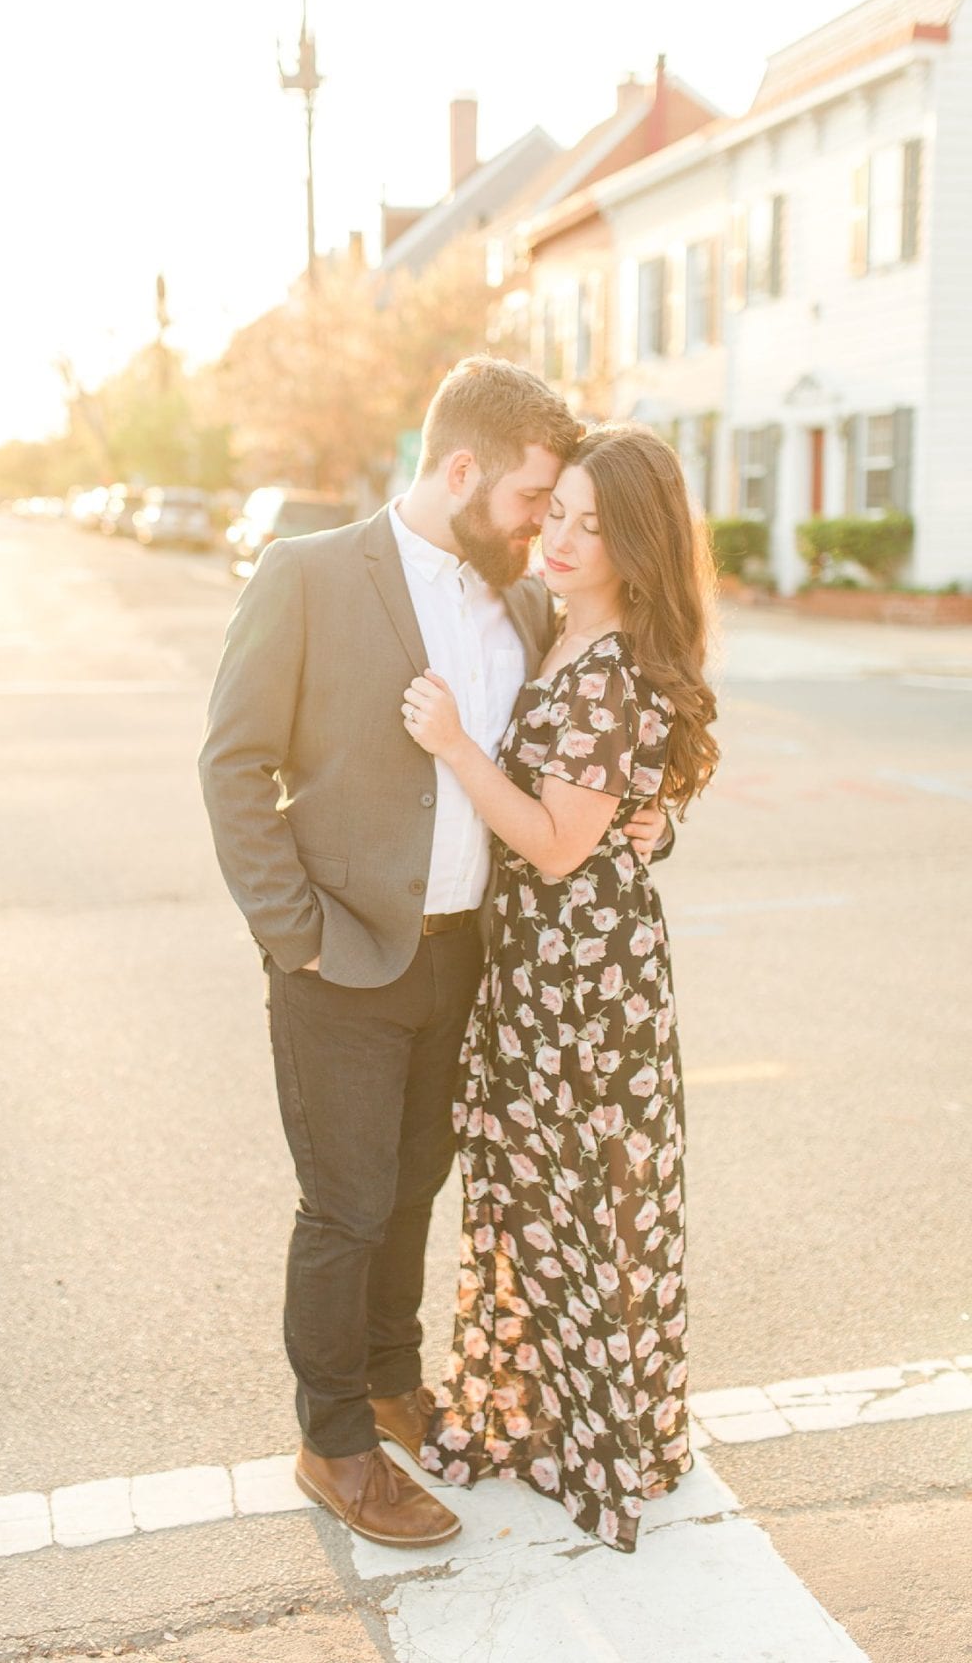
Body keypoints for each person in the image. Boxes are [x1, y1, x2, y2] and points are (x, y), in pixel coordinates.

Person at [198, 359, 669, 1548]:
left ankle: (396, 1385)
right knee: (347, 1205)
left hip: (472, 963)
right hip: (340, 962)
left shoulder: (521, 603)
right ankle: (334, 1443)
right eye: (531, 500)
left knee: (417, 1188)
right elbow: (234, 764)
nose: (542, 527)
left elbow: (591, 747)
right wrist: (292, 935)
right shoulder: (306, 574)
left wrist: (649, 817)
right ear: (462, 470)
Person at [401, 423, 719, 1554]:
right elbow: (616, 809)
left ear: (638, 546)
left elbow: (548, 843)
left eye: (594, 524)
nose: (564, 538)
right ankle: (551, 1419)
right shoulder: (563, 631)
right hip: (546, 965)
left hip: (582, 984)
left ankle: (590, 1440)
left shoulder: (609, 660)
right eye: (560, 513)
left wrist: (454, 745)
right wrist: (652, 816)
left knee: (581, 1199)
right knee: (543, 1192)